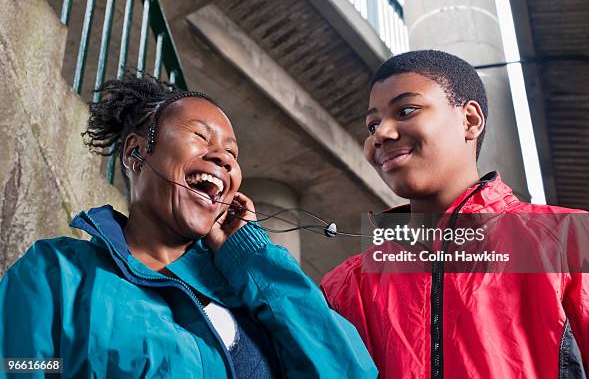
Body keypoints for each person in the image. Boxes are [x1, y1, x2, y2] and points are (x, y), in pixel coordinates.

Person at [0, 74, 377, 378]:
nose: (223, 159)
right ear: (135, 154)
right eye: (200, 136)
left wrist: (252, 256)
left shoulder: (246, 293)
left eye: (232, 154)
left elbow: (347, 372)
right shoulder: (58, 272)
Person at [320, 50, 589, 378]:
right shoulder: (346, 285)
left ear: (469, 120)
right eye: (372, 124)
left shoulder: (570, 238)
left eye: (405, 110)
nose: (381, 134)